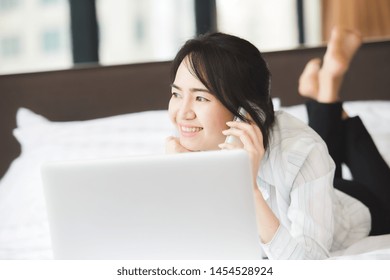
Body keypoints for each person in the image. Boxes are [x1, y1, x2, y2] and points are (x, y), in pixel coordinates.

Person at [165, 28, 389, 260]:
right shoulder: (188, 145)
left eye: (201, 97)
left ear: (245, 110)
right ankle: (325, 93)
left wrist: (247, 185)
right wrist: (183, 177)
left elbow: (307, 266)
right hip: (311, 187)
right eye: (176, 94)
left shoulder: (302, 150)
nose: (181, 113)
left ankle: (328, 90)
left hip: (360, 208)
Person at [298, 27, 390, 236]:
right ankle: (326, 91)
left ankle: (327, 90)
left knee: (321, 184)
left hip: (318, 197)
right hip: (321, 196)